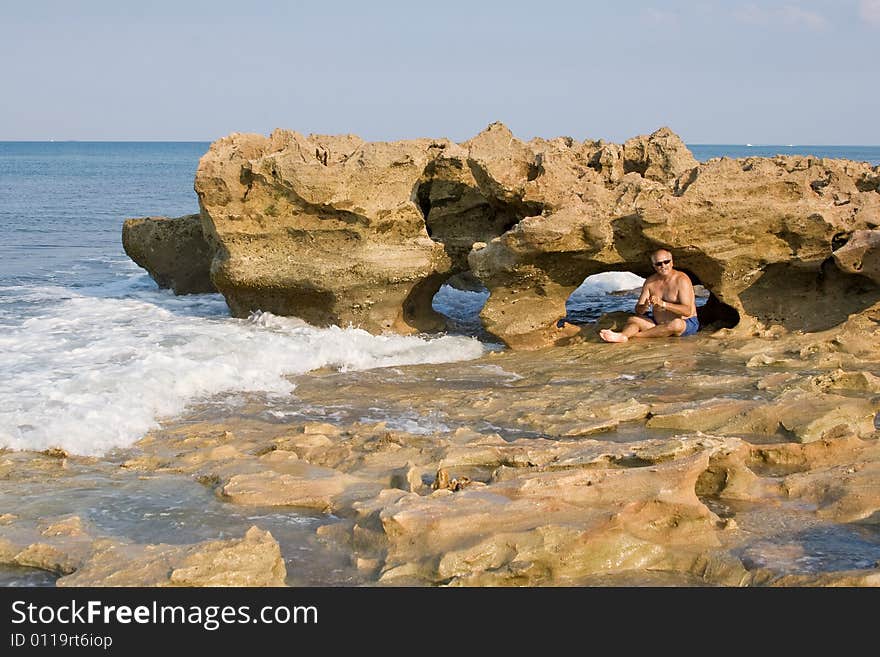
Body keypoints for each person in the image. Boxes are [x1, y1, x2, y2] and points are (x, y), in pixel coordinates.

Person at [599, 249, 699, 343]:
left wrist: (663, 304)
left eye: (666, 262)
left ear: (672, 262)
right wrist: (645, 306)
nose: (663, 266)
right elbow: (638, 310)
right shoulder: (650, 282)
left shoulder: (682, 280)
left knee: (676, 324)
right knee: (633, 320)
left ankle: (636, 335)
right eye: (658, 263)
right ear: (654, 266)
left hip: (685, 323)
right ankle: (623, 336)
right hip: (657, 324)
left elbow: (687, 311)